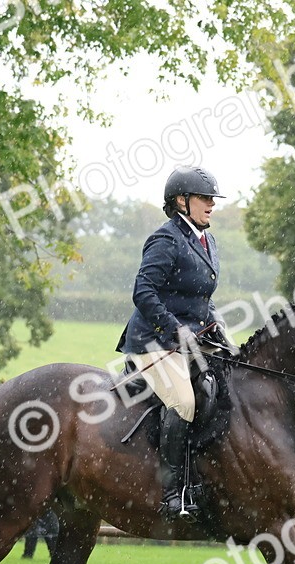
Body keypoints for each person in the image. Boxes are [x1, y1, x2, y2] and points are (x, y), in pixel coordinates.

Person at [115, 166, 236, 520]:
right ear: (181, 202)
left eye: (213, 199)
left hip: (192, 340)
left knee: (228, 382)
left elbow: (200, 298)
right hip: (153, 342)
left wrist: (218, 327)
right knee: (184, 401)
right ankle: (173, 493)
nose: (212, 205)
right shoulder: (166, 239)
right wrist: (173, 329)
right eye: (205, 198)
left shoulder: (206, 241)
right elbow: (144, 291)